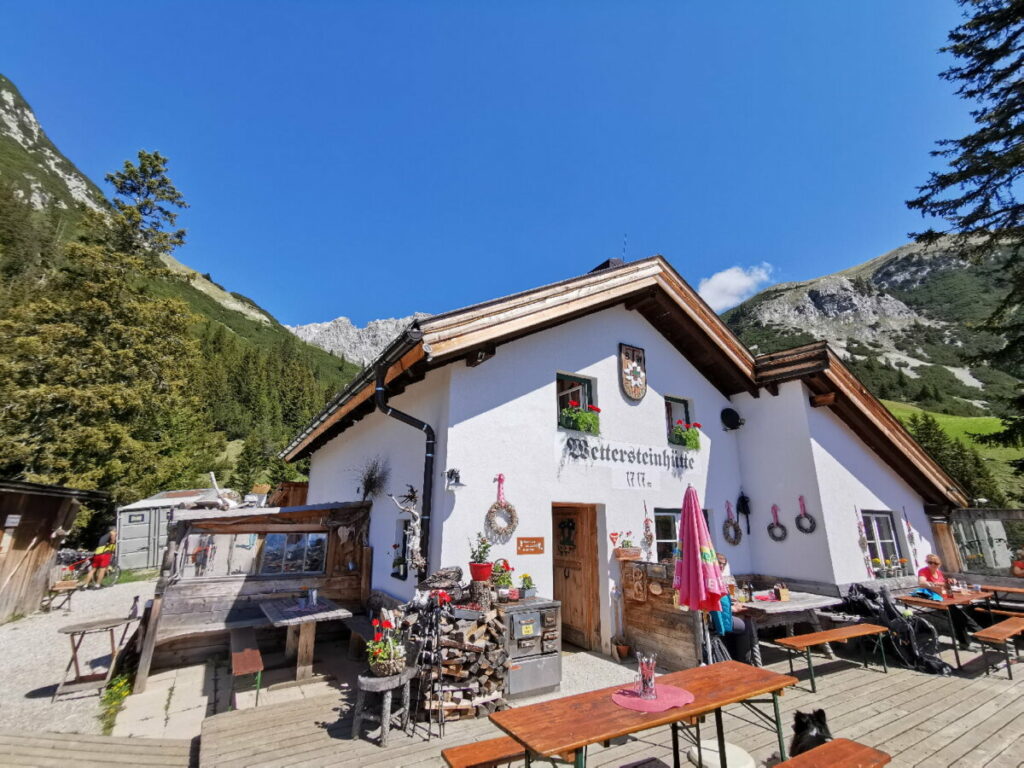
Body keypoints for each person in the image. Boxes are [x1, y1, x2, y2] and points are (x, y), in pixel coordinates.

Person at [917, 553, 979, 649]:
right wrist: (933, 584)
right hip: (935, 601)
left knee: (959, 617)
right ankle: (988, 638)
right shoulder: (923, 571)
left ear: (939, 564)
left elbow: (944, 586)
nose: (932, 565)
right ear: (926, 562)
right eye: (930, 562)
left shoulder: (939, 572)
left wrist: (949, 581)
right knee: (962, 617)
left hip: (945, 599)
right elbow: (921, 583)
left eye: (935, 563)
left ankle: (966, 642)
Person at [710, 553, 755, 664]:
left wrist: (731, 605)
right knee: (745, 626)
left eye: (723, 564)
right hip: (713, 619)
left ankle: (734, 656)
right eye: (719, 563)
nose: (721, 566)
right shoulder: (712, 579)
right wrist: (732, 608)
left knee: (740, 621)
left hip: (717, 615)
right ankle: (744, 661)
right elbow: (714, 601)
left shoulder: (716, 578)